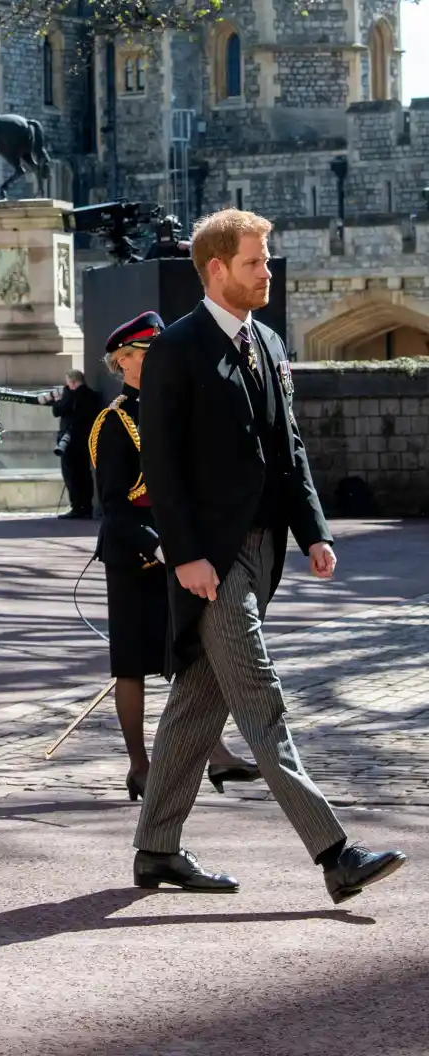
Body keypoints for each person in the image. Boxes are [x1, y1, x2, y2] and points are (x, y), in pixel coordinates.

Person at [133, 208, 406, 903]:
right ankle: (335, 854)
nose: (267, 273)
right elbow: (161, 467)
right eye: (255, 262)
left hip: (265, 554)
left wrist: (314, 531)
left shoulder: (270, 342)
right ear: (217, 268)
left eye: (267, 260)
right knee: (262, 703)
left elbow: (291, 451)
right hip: (211, 567)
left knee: (197, 708)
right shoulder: (176, 350)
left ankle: (156, 851)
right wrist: (188, 556)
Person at [90, 311, 260, 801]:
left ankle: (217, 753)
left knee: (193, 653)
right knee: (132, 663)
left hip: (180, 552)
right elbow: (115, 508)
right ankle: (140, 766)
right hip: (135, 557)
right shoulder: (115, 421)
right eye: (148, 355)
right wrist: (158, 544)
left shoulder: (175, 409)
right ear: (125, 362)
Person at [40, 369, 99, 519]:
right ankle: (86, 507)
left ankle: (77, 507)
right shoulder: (91, 395)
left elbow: (57, 411)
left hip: (70, 441)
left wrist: (60, 398)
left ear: (72, 382)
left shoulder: (72, 396)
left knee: (71, 475)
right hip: (85, 440)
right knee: (84, 474)